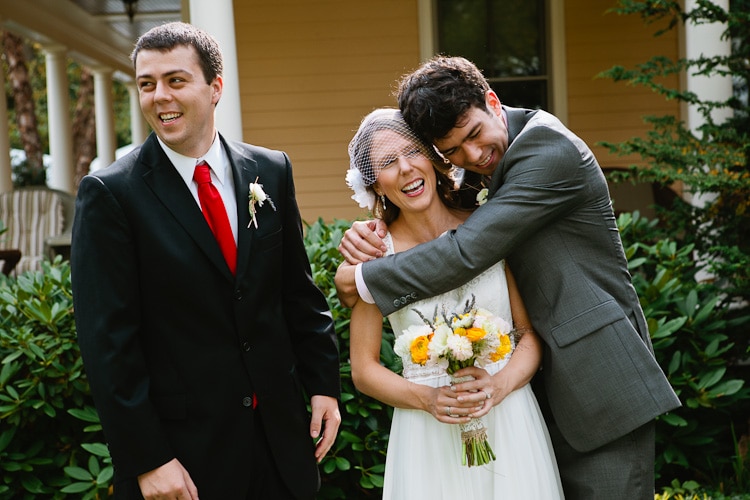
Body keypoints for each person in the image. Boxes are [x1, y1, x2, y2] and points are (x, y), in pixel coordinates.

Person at [336, 56, 681, 499]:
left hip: (597, 382)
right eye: (453, 152)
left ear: (493, 101)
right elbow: (435, 216)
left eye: (475, 135)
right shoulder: (478, 177)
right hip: (538, 400)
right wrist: (363, 246)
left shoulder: (548, 151)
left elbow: (466, 248)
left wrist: (360, 279)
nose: (473, 157)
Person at [71, 22, 341, 499]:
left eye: (175, 80)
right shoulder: (110, 194)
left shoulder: (271, 170)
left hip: (280, 445)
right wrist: (148, 458)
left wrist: (323, 385)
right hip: (183, 460)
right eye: (146, 84)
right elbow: (108, 344)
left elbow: (297, 293)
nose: (159, 97)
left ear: (215, 88)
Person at [345, 107, 564, 499]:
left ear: (431, 157)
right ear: (375, 183)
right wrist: (429, 399)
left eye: (413, 152)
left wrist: (499, 386)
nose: (407, 169)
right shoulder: (375, 255)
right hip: (426, 434)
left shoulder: (486, 224)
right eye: (388, 163)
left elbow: (528, 335)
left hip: (509, 416)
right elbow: (363, 369)